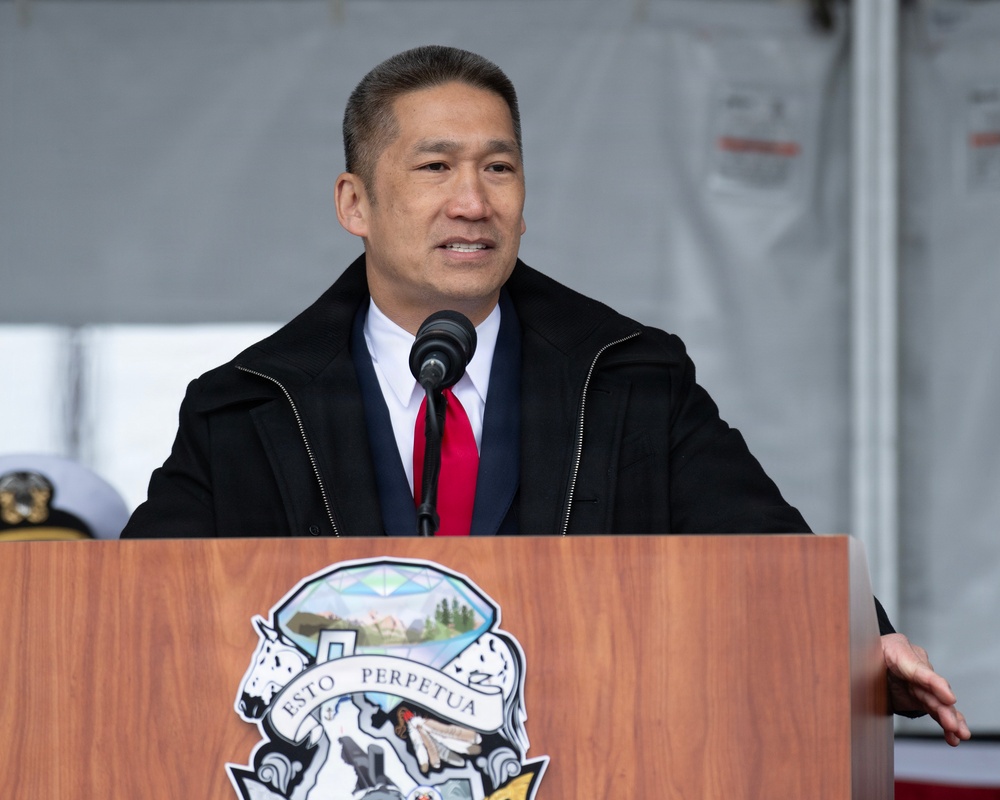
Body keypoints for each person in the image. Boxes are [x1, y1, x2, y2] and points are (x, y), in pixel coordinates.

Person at [121, 45, 970, 746]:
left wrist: (868, 637)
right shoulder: (246, 407)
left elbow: (767, 554)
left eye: (499, 167)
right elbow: (133, 613)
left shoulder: (630, 376)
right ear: (355, 203)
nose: (473, 202)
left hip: (587, 762)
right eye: (434, 166)